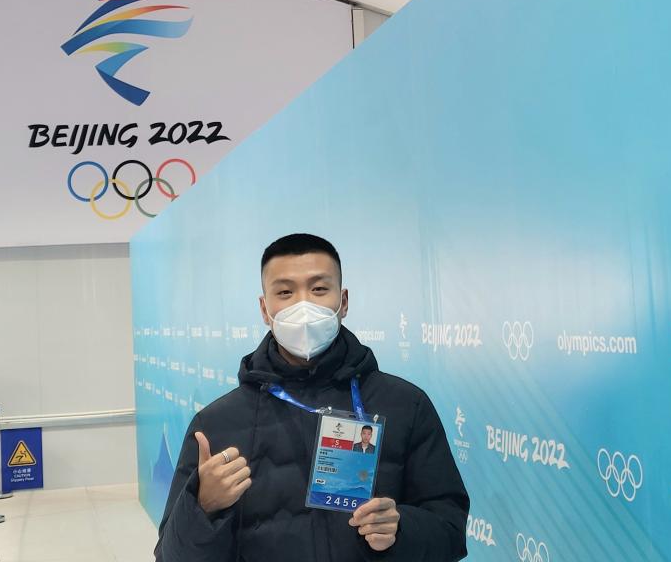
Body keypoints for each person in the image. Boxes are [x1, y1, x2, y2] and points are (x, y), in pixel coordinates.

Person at [154, 233, 468, 561]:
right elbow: (170, 556)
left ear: (343, 301)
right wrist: (202, 506)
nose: (303, 306)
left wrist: (401, 529)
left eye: (318, 289)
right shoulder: (217, 423)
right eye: (285, 292)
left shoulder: (406, 405)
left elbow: (450, 528)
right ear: (264, 309)